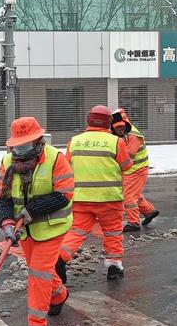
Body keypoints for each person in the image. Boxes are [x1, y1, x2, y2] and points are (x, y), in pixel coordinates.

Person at [0, 117, 73, 326]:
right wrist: (7, 223)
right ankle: (59, 295)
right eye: (17, 145)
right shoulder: (8, 162)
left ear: (39, 140)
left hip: (51, 227)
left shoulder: (55, 159)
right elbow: (3, 198)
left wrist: (32, 210)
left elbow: (64, 193)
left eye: (26, 144)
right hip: (25, 230)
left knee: (38, 272)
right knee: (41, 271)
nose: (21, 150)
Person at [56, 105, 133, 283]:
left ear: (89, 120)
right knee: (112, 232)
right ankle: (114, 265)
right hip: (109, 199)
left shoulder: (74, 141)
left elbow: (66, 167)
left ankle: (60, 256)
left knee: (77, 231)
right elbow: (127, 166)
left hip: (81, 198)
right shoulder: (116, 142)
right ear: (109, 123)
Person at [111, 108, 159, 232]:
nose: (119, 129)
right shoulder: (124, 133)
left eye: (121, 126)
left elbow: (128, 156)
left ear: (125, 122)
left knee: (129, 197)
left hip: (136, 170)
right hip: (132, 170)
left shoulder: (133, 136)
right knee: (135, 195)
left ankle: (133, 223)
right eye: (116, 127)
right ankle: (149, 212)